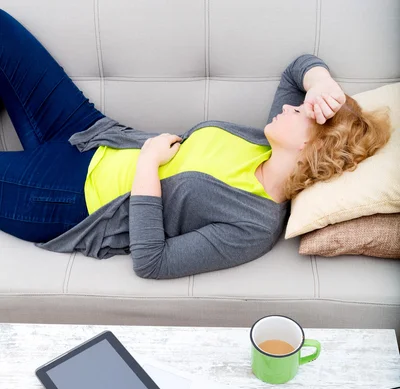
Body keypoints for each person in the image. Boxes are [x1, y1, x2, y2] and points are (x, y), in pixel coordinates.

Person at [0, 9, 391, 279]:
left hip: (66, 199)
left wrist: (148, 166)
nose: (292, 106)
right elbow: (297, 68)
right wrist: (321, 83)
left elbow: (153, 261)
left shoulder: (254, 226)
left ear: (312, 148)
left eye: (303, 112)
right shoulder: (266, 145)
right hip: (91, 132)